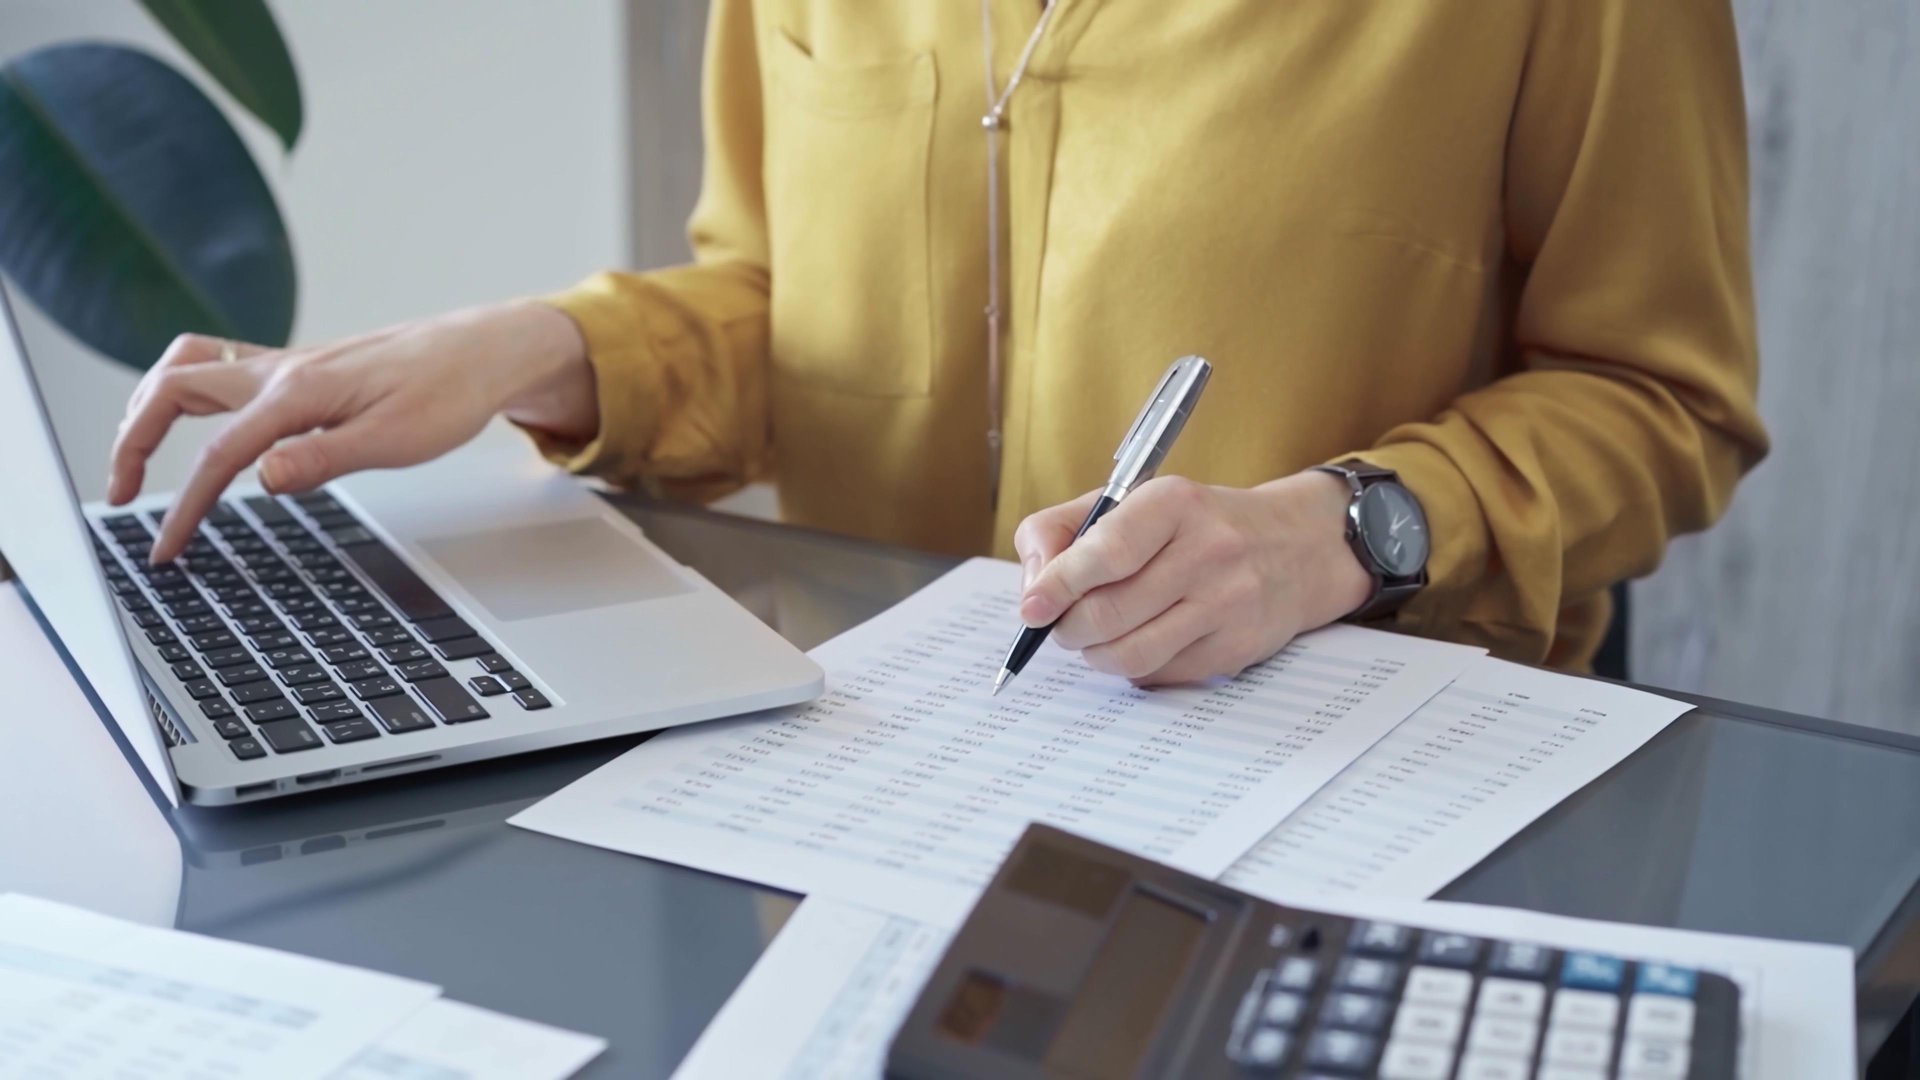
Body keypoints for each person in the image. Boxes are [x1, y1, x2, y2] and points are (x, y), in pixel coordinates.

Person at [109, 1, 1766, 685]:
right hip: (874, 772)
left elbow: (1662, 398)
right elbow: (801, 307)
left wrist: (1342, 530)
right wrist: (524, 348)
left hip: (1347, 791)